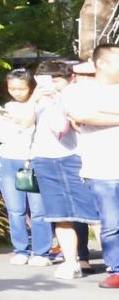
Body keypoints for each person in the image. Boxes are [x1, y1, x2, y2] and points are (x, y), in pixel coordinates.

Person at [0, 68, 53, 265]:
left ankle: (41, 252)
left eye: (21, 88)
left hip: (33, 159)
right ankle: (20, 250)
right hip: (9, 160)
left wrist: (34, 102)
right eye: (12, 88)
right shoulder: (4, 108)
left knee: (38, 209)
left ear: (30, 88)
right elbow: (4, 136)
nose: (17, 92)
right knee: (15, 209)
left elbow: (27, 124)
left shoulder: (41, 106)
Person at [63, 44, 119, 287]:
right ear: (102, 64)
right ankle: (117, 269)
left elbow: (91, 116)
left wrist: (102, 114)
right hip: (102, 170)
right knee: (111, 224)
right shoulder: (78, 91)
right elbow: (82, 115)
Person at [34, 62, 89, 270]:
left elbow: (64, 126)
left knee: (91, 214)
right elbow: (23, 123)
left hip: (74, 157)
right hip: (44, 159)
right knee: (60, 216)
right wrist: (35, 97)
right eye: (46, 81)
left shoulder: (75, 97)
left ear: (70, 80)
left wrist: (59, 98)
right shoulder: (38, 101)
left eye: (56, 80)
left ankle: (111, 264)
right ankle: (71, 261)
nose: (51, 85)